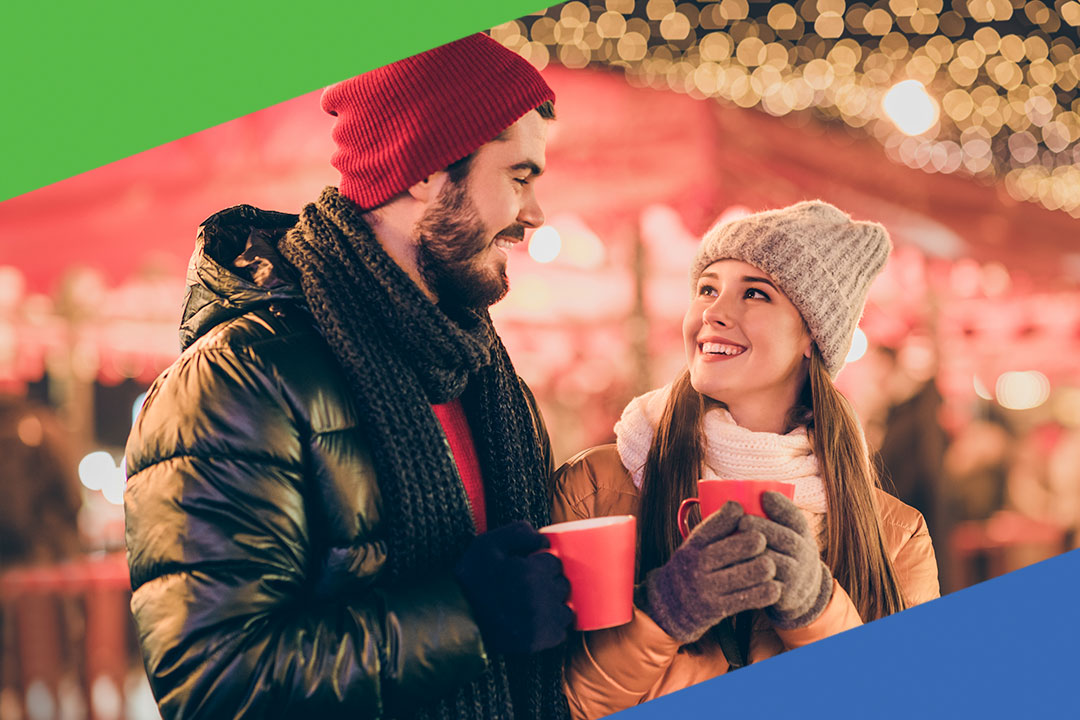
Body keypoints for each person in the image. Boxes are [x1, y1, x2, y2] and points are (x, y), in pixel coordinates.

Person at [124, 34, 575, 720]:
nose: (535, 214)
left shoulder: (481, 371)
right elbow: (212, 684)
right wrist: (468, 617)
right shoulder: (238, 381)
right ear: (424, 171)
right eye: (519, 177)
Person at [552, 201, 941, 719]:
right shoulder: (598, 487)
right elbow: (554, 703)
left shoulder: (894, 532)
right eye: (707, 288)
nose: (712, 311)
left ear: (812, 337)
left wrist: (816, 610)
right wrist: (664, 610)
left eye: (754, 293)